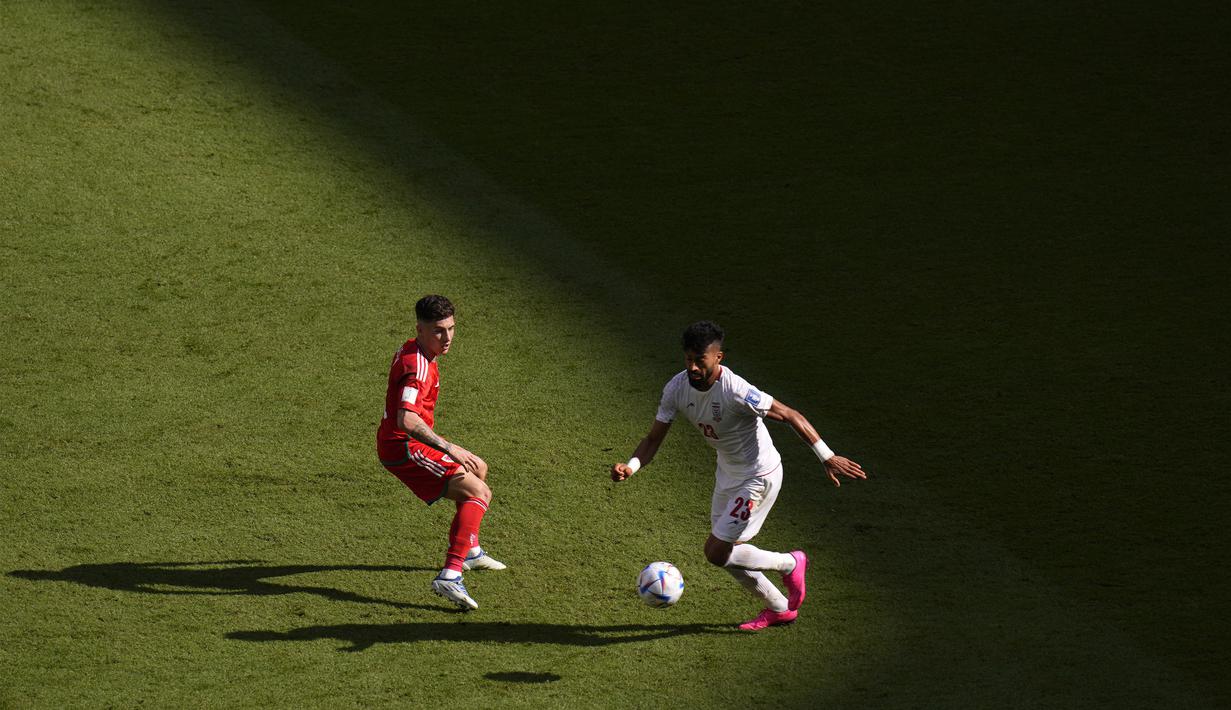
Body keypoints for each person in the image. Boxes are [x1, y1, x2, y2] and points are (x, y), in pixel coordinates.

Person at [611, 321, 866, 630]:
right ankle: (779, 608)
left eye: (700, 360)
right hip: (727, 473)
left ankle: (791, 563)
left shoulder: (736, 390)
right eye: (688, 359)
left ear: (718, 357)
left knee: (716, 551)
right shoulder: (676, 388)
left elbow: (790, 415)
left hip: (759, 476)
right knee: (730, 554)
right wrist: (631, 466)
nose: (692, 367)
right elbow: (653, 438)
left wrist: (827, 456)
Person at [376, 295, 505, 610]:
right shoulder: (417, 367)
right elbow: (406, 420)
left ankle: (470, 550)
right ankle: (450, 575)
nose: (447, 337)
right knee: (479, 492)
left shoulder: (417, 350)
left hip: (408, 442)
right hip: (404, 447)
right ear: (419, 329)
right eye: (438, 331)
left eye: (451, 328)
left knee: (478, 469)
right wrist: (449, 447)